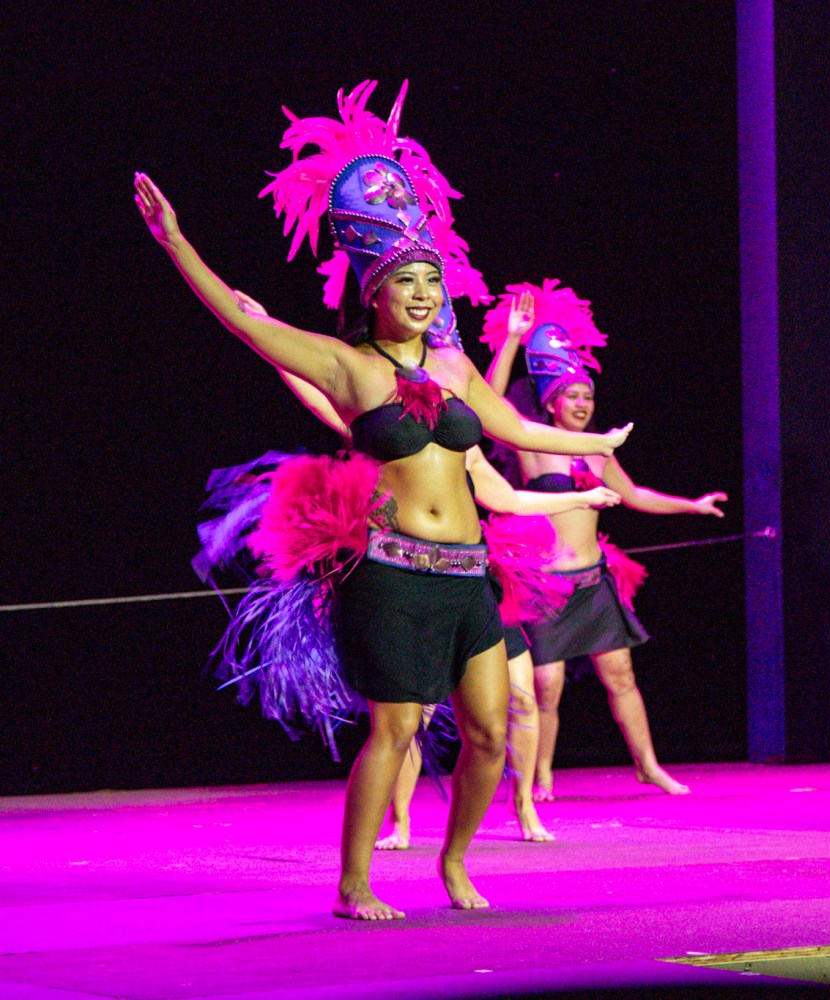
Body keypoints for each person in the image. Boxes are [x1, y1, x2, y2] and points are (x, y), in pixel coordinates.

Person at [136, 82, 631, 919]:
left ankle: (455, 864)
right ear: (371, 288)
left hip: (471, 573)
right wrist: (176, 241)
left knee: (486, 735)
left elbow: (512, 423)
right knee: (396, 732)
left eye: (431, 282)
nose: (424, 296)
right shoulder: (350, 367)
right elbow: (242, 325)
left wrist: (598, 446)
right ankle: (355, 882)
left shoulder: (450, 368)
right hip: (393, 576)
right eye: (407, 281)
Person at [245, 287, 622, 844]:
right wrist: (269, 333)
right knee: (406, 721)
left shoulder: (461, 430)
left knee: (511, 706)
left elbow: (508, 494)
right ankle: (396, 823)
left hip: (473, 577)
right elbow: (314, 389)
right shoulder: (372, 400)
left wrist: (580, 496)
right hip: (400, 572)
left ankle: (517, 812)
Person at [482, 280, 729, 799]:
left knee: (621, 674)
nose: (581, 403)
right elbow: (489, 405)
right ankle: (540, 774)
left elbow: (636, 494)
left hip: (593, 583)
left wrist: (693, 504)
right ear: (551, 402)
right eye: (571, 395)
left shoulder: (598, 451)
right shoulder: (533, 448)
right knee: (545, 687)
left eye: (588, 395)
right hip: (547, 588)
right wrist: (511, 340)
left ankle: (648, 765)